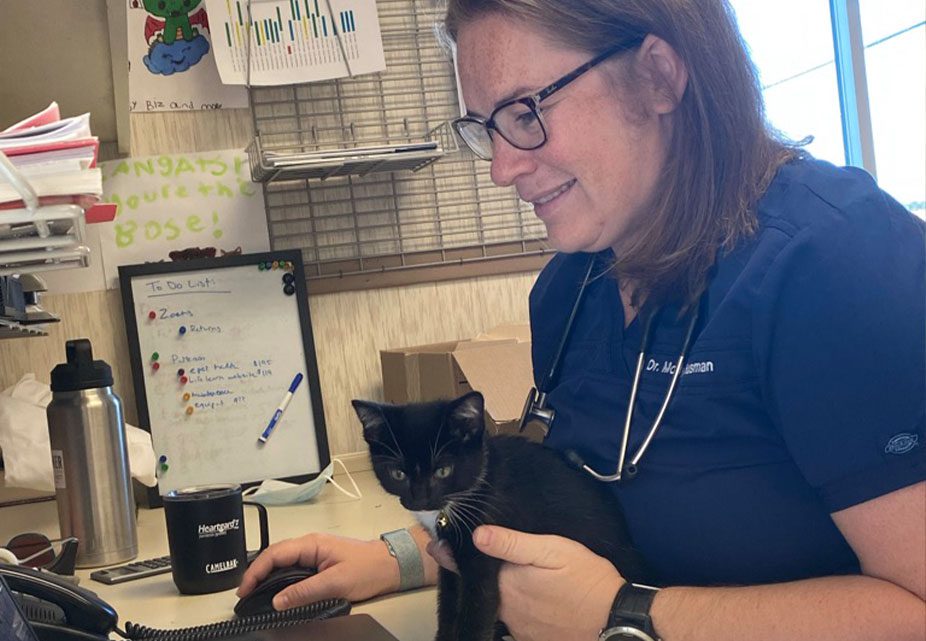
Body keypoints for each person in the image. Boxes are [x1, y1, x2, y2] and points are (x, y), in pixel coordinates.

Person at [238, 1, 926, 639]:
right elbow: (571, 502)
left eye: (526, 110)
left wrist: (626, 615)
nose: (502, 167)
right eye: (485, 128)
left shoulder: (838, 264)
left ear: (657, 76)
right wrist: (402, 556)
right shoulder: (571, 291)